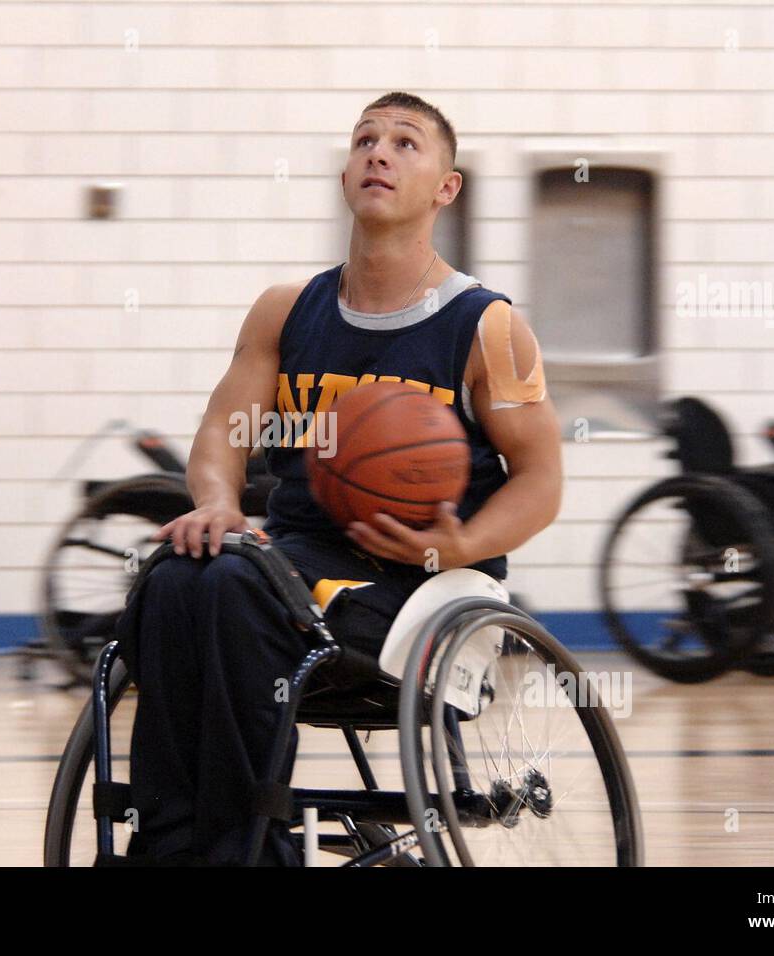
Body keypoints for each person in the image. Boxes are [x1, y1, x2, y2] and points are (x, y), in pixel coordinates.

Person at [115, 91, 563, 865]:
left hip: (422, 582)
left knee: (229, 589)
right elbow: (223, 435)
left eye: (404, 143)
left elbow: (541, 480)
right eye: (364, 140)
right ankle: (167, 842)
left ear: (445, 188)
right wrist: (217, 505)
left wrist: (462, 542)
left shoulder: (488, 327)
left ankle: (248, 849)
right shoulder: (286, 312)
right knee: (174, 577)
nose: (378, 154)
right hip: (296, 561)